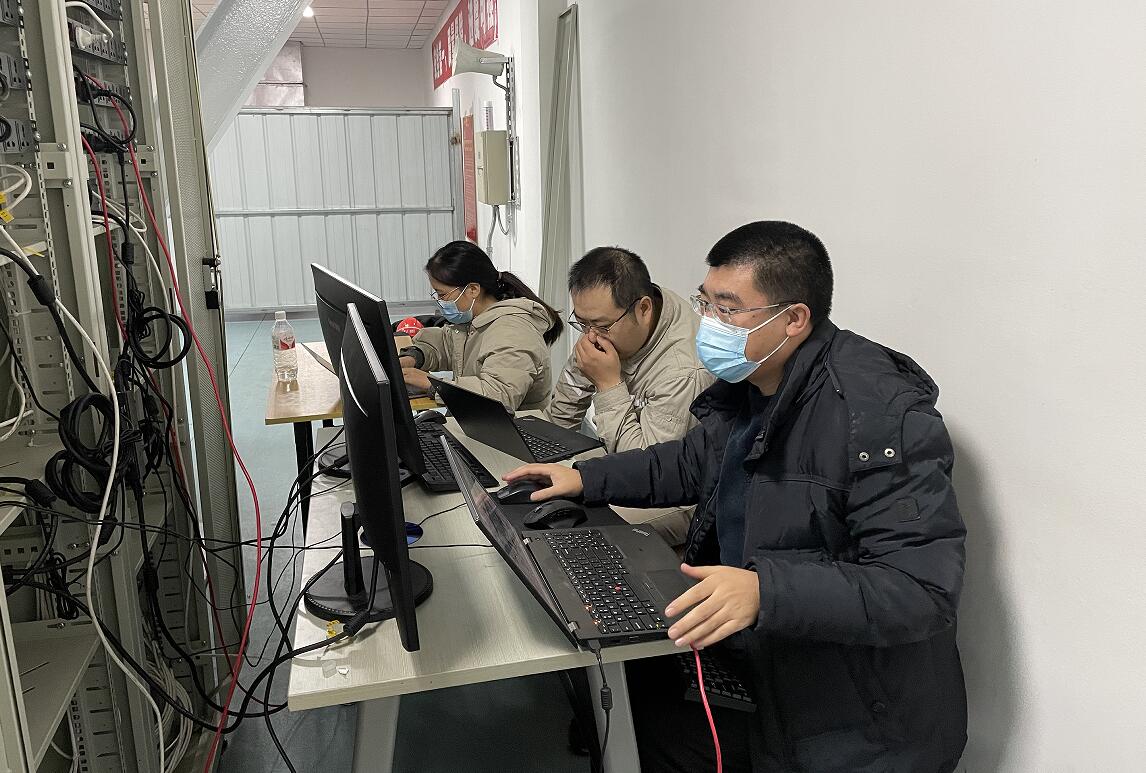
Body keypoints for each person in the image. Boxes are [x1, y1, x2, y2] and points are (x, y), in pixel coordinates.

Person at [506, 222, 967, 772]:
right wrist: (584, 478)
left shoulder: (878, 415)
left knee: (650, 727)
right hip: (764, 650)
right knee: (626, 694)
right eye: (706, 303)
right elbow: (688, 463)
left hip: (856, 714)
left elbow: (920, 591)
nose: (708, 324)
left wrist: (765, 592)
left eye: (727, 310)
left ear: (793, 319)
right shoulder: (756, 384)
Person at [545, 246, 713, 545]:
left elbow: (646, 470)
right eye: (582, 323)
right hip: (623, 457)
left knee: (582, 530)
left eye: (601, 326)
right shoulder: (611, 324)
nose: (590, 336)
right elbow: (566, 404)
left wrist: (608, 385)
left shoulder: (684, 370)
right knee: (547, 495)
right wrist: (545, 453)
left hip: (679, 493)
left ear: (643, 309)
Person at [399, 241, 563, 411]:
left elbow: (498, 396)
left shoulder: (513, 331)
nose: (440, 302)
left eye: (442, 294)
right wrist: (415, 356)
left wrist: (433, 385)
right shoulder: (476, 320)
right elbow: (448, 344)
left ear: (473, 289)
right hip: (478, 421)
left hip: (512, 425)